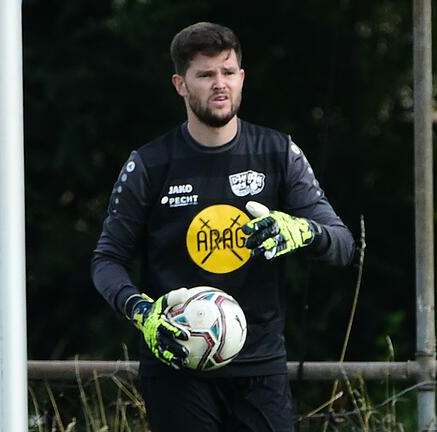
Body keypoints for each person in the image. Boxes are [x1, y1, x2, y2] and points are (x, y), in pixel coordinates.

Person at [91, 21, 356, 432]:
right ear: (180, 84)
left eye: (228, 72)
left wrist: (304, 232)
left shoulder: (277, 152)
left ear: (242, 77)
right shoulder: (148, 163)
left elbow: (342, 243)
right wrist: (142, 311)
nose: (220, 84)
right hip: (177, 366)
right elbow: (107, 259)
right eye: (206, 74)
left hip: (260, 368)